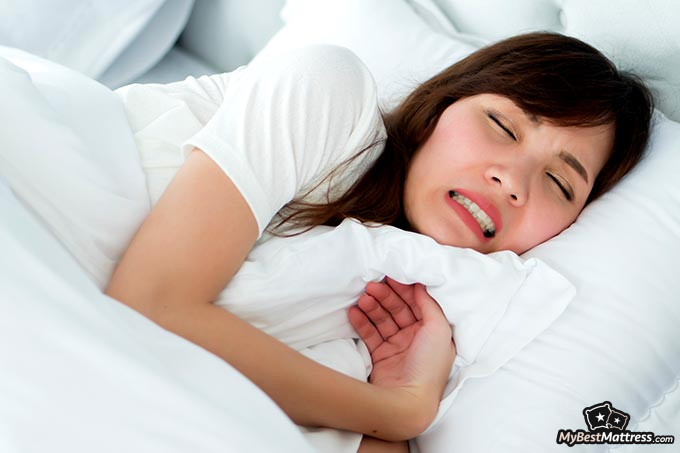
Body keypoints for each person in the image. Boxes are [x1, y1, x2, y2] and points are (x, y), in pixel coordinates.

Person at [106, 32, 653, 451]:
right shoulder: (329, 95)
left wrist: (396, 403)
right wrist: (399, 411)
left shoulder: (415, 321)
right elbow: (148, 302)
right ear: (439, 109)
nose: (513, 181)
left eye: (560, 183)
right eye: (503, 126)